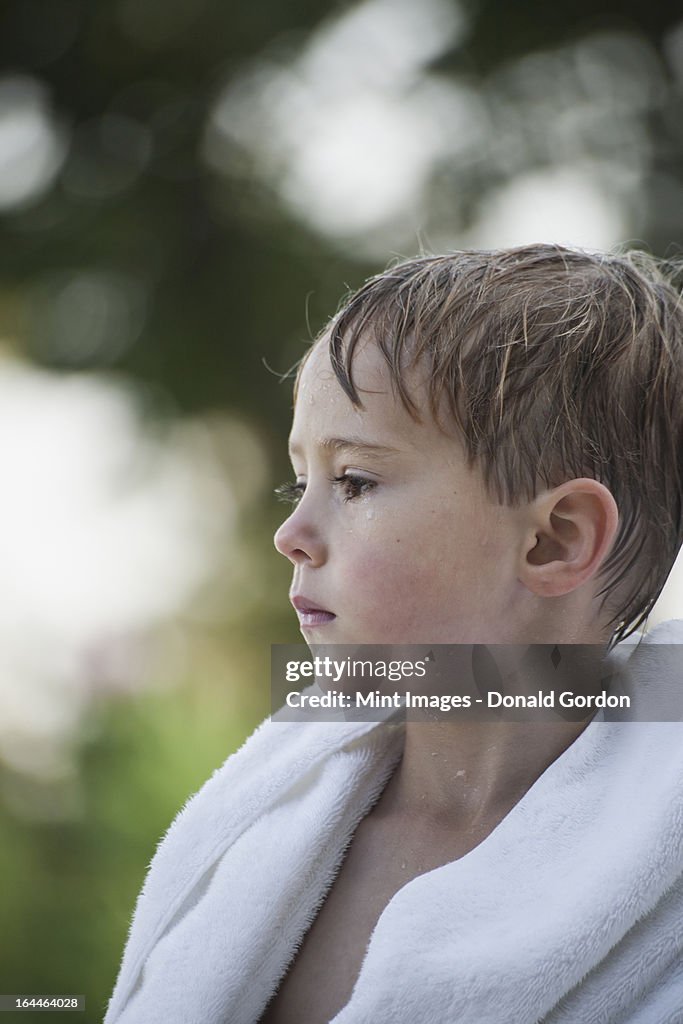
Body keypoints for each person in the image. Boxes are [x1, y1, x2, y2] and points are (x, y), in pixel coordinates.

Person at [105, 244, 683, 1024]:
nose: (291, 532)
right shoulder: (262, 839)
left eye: (354, 481)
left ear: (554, 541)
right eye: (297, 480)